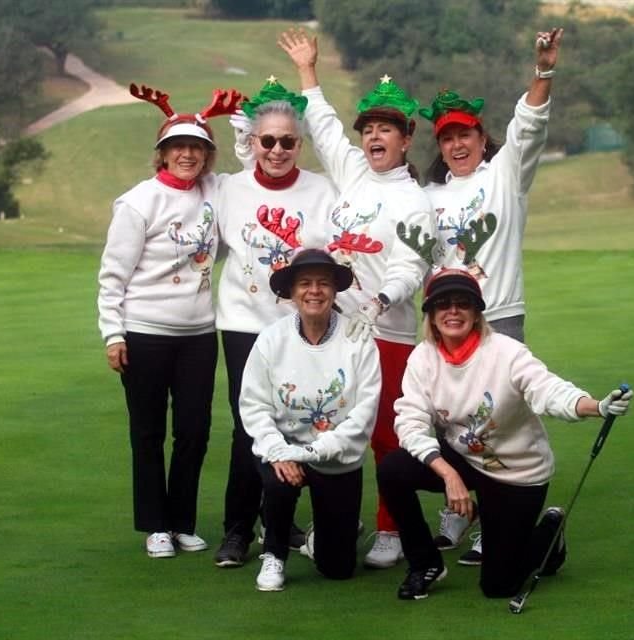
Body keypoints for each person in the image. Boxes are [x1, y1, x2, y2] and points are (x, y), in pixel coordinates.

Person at [280, 28, 437, 570]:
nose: (374, 137)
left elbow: (411, 264)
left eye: (385, 130)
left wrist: (381, 300)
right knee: (331, 429)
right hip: (333, 328)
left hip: (385, 331)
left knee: (385, 435)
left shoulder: (413, 201)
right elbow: (322, 129)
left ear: (405, 139)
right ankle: (335, 523)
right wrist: (308, 72)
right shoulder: (353, 175)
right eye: (368, 128)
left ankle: (393, 530)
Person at [377, 269, 633, 600]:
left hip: (516, 470)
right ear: (431, 313)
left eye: (462, 303)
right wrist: (448, 474)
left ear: (477, 312)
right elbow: (409, 422)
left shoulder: (507, 352)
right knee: (393, 470)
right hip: (465, 456)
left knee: (499, 586)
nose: (453, 311)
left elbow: (547, 390)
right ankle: (425, 563)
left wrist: (595, 406)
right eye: (442, 304)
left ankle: (550, 535)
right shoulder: (422, 358)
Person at [419, 27, 566, 565]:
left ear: (482, 139)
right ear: (438, 145)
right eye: (447, 137)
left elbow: (528, 127)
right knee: (445, 417)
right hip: (442, 321)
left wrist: (543, 72)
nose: (457, 145)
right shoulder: (427, 195)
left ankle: (498, 518)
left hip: (498, 315)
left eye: (466, 135)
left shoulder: (505, 176)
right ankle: (459, 511)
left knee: (497, 420)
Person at [97, 83, 243, 558]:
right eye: (177, 147)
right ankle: (155, 525)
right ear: (162, 155)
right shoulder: (138, 202)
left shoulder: (215, 191)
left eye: (195, 148)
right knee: (148, 431)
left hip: (199, 334)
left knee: (195, 431)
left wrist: (238, 118)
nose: (186, 155)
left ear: (206, 154)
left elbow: (250, 161)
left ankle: (182, 521)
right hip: (145, 332)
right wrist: (113, 333)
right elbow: (113, 275)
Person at [211, 78, 340, 568]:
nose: (278, 149)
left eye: (288, 141)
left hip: (300, 326)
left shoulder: (322, 189)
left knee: (300, 422)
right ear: (253, 144)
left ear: (299, 144)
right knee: (249, 427)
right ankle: (237, 530)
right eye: (268, 141)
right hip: (244, 324)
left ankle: (280, 523)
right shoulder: (229, 189)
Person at [240, 248, 382, 591]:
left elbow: (363, 414)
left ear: (335, 291)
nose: (314, 291)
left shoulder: (358, 339)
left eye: (323, 283)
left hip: (335, 457)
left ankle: (324, 534)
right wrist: (278, 450)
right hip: (285, 452)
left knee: (338, 568)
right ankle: (274, 552)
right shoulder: (271, 339)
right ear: (291, 292)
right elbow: (254, 405)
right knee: (277, 481)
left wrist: (310, 453)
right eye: (304, 283)